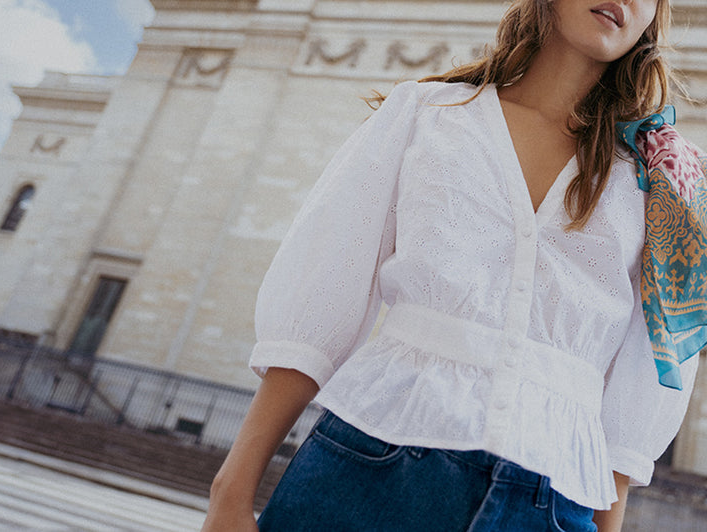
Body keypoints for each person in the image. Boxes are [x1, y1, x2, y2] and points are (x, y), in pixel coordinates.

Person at [202, 0, 703, 530]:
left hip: (549, 506)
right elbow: (325, 293)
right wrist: (230, 493)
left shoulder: (665, 182)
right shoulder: (426, 114)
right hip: (369, 470)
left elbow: (642, 381)